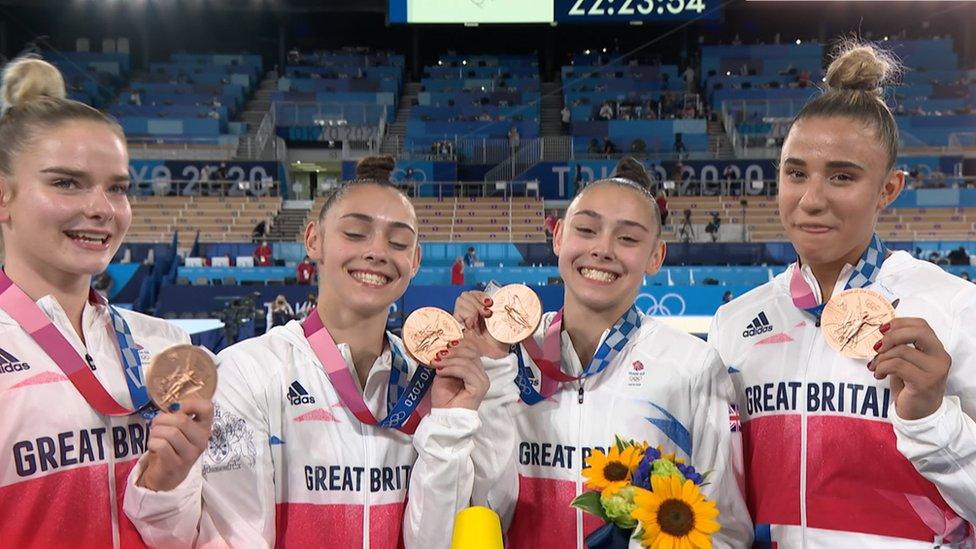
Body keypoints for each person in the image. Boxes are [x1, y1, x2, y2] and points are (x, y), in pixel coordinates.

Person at [124, 155, 516, 548]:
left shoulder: (432, 379)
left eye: (398, 242)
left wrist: (449, 422)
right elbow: (235, 538)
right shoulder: (248, 371)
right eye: (356, 233)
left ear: (413, 261)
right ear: (314, 240)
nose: (378, 251)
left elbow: (438, 543)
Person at [708, 42, 976, 547]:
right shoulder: (735, 324)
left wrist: (934, 421)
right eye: (796, 173)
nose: (811, 200)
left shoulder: (955, 309)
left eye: (842, 176)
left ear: (888, 189)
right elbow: (724, 504)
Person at [454, 157, 752, 547]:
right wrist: (489, 360)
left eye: (627, 238)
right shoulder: (512, 353)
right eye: (587, 229)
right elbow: (477, 505)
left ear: (655, 257)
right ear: (558, 236)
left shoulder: (691, 366)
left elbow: (726, 528)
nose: (602, 249)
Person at [0, 57, 192, 547]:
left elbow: (188, 534)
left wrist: (167, 488)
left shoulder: (164, 347)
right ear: (4, 196)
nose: (102, 209)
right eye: (67, 182)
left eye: (118, 188)